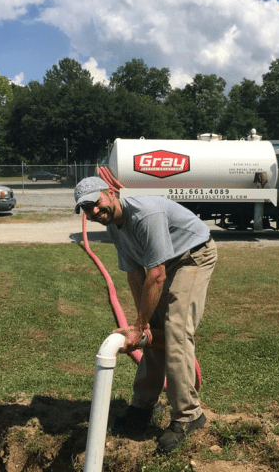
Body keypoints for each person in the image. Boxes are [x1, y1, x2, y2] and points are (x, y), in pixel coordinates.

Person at [74, 176, 217, 452]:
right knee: (153, 329)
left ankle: (188, 415)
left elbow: (157, 274)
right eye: (85, 208)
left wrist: (138, 326)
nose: (92, 211)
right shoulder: (115, 227)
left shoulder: (144, 215)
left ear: (112, 193)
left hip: (193, 255)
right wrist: (143, 322)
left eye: (95, 202)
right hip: (166, 261)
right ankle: (142, 406)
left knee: (175, 329)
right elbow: (134, 273)